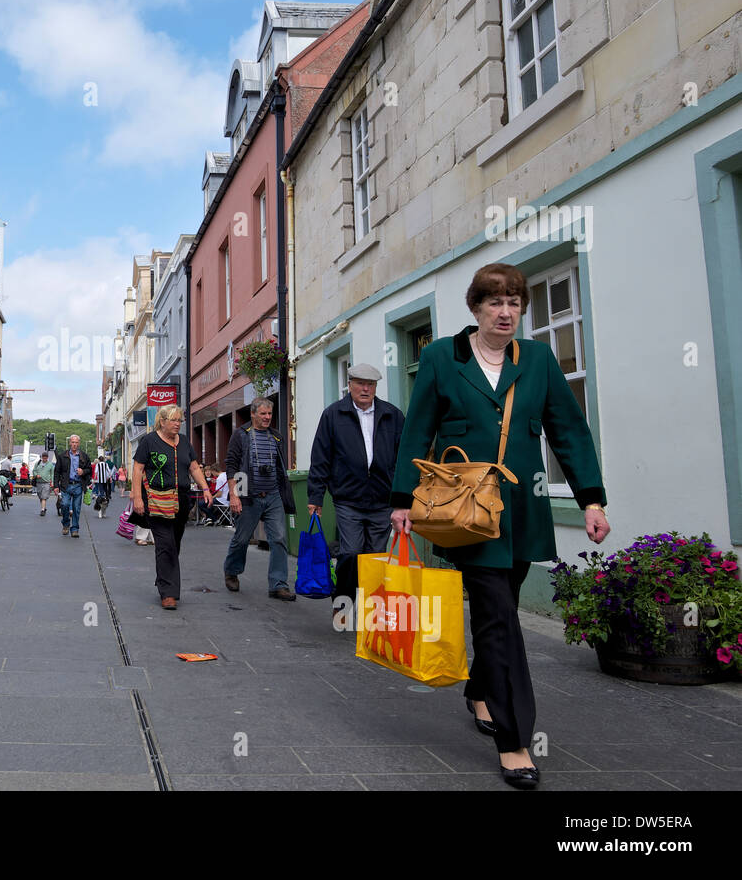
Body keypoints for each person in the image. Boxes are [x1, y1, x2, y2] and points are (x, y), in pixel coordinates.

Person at [390, 263, 609, 790]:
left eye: (514, 302)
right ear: (476, 308)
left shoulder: (535, 360)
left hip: (523, 508)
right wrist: (401, 500)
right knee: (498, 620)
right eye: (495, 303)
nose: (506, 312)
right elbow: (419, 427)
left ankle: (478, 690)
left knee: (501, 611)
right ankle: (513, 742)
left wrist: (591, 500)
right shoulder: (443, 356)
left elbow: (567, 429)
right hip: (467, 512)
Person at [305, 362, 405, 615]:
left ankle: (372, 611)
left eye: (370, 384)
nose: (365, 389)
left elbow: (404, 457)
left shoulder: (392, 415)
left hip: (382, 499)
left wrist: (403, 497)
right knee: (350, 554)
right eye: (360, 383)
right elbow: (320, 457)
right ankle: (344, 603)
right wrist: (316, 496)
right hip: (347, 499)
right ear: (349, 385)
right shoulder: (333, 415)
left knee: (375, 557)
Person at [132, 405, 211, 609]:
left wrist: (206, 488)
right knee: (165, 544)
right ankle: (168, 593)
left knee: (174, 544)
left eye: (180, 420)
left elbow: (193, 466)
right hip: (157, 500)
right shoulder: (149, 441)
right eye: (174, 420)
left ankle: (163, 579)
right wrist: (137, 497)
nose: (178, 424)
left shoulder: (184, 441)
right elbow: (138, 469)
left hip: (182, 501)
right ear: (162, 421)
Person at [222, 398, 297, 601]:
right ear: (253, 414)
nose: (267, 418)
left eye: (269, 414)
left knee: (280, 538)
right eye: (263, 414)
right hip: (248, 492)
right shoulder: (241, 435)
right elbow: (232, 465)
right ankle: (232, 571)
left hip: (273, 495)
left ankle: (278, 584)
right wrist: (235, 495)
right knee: (242, 538)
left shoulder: (277, 437)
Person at [53, 434, 94, 537]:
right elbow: (57, 471)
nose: (74, 444)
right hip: (66, 485)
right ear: (69, 443)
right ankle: (66, 524)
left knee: (76, 508)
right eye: (73, 442)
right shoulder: (63, 456)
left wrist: (83, 471)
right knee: (65, 505)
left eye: (76, 442)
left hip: (78, 485)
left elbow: (90, 470)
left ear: (79, 443)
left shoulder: (84, 456)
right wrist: (56, 486)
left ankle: (75, 529)